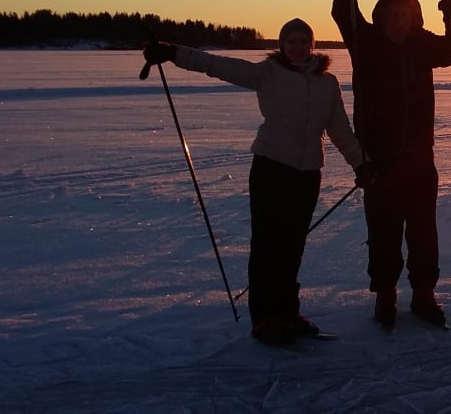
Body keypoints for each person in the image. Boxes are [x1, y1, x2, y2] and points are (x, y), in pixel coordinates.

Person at [142, 18, 368, 345]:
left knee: (292, 247)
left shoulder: (327, 83)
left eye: (304, 42)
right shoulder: (268, 74)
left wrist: (360, 163)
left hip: (307, 175)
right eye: (291, 42)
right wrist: (174, 53)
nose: (298, 47)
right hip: (272, 169)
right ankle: (264, 318)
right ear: (282, 45)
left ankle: (287, 313)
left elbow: (339, 130)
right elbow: (217, 65)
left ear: (312, 45)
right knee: (267, 246)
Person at [331, 0, 451, 328]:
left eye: (406, 14)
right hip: (379, 162)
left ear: (415, 17)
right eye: (392, 13)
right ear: (380, 16)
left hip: (419, 160)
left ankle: (424, 295)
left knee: (424, 233)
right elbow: (343, 7)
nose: (399, 20)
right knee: (384, 232)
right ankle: (386, 296)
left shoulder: (423, 45)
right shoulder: (365, 42)